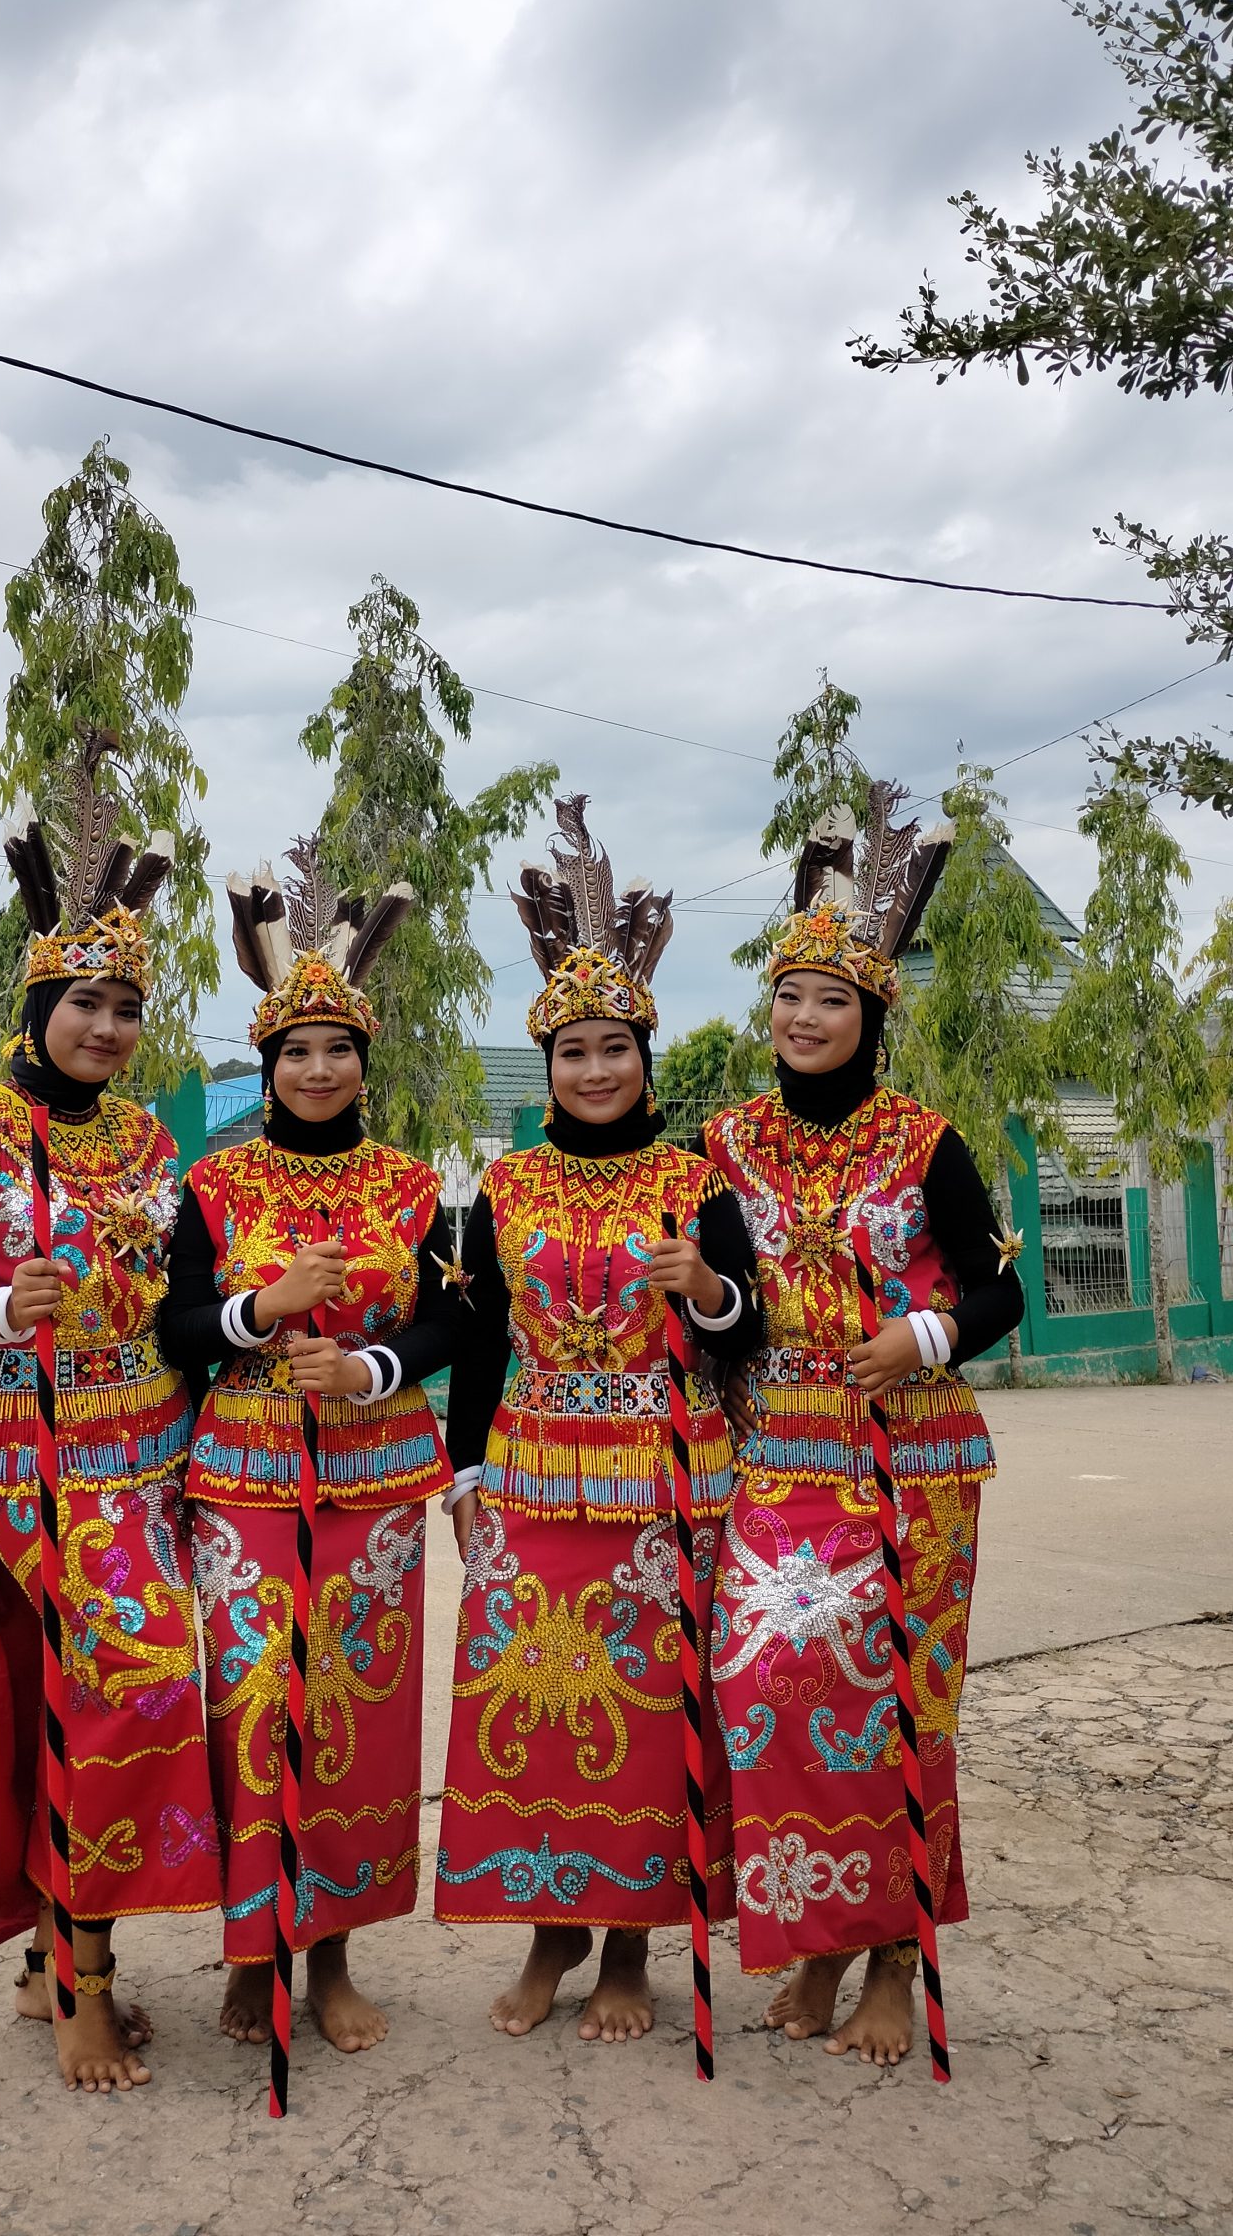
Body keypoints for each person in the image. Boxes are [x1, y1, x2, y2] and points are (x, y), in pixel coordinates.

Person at [0, 739, 217, 2094]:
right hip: (29, 1465)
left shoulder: (149, 1143)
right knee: (122, 1689)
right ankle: (86, 1984)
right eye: (87, 1001)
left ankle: (48, 1963)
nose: (108, 1027)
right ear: (40, 1006)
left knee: (82, 1703)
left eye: (128, 1007)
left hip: (148, 1457)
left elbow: (181, 1302)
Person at [702, 784, 1024, 2066]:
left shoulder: (927, 1141)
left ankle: (893, 1961)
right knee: (769, 1693)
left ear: (871, 1014)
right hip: (779, 1458)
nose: (803, 1017)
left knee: (899, 1709)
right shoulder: (725, 1143)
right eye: (788, 995)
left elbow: (999, 1287)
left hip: (911, 1457)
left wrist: (925, 1337)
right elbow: (723, 1315)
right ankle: (821, 1940)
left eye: (829, 999)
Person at [435, 796, 761, 2042]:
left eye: (613, 1047)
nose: (594, 1070)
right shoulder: (505, 1184)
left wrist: (709, 1288)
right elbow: (475, 1343)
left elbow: (745, 1332)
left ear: (644, 1053)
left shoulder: (696, 1182)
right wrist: (464, 1477)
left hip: (664, 1484)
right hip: (527, 1483)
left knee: (644, 1714)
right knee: (527, 1708)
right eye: (572, 1051)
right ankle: (548, 1930)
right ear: (548, 1064)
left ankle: (629, 1945)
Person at [161, 841, 455, 2061]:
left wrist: (372, 1367)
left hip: (372, 1485)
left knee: (356, 1713)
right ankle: (252, 1948)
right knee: (252, 1708)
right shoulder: (215, 1185)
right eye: (297, 1049)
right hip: (244, 1478)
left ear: (363, 1061)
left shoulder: (414, 1186)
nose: (319, 1067)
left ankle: (330, 1953)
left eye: (338, 1048)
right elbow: (177, 1325)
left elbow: (451, 1321)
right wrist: (263, 1308)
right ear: (268, 1060)